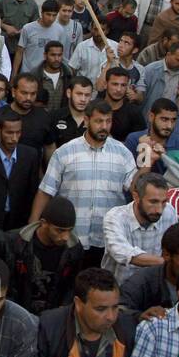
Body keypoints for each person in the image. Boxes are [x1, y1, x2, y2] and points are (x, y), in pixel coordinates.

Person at [32, 100, 137, 269]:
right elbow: (46, 192)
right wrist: (32, 228)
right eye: (98, 121)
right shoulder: (65, 152)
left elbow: (134, 189)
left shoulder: (123, 154)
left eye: (108, 121)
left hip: (107, 239)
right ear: (87, 121)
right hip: (72, 238)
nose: (104, 126)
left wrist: (147, 164)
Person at [102, 173, 179, 283]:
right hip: (119, 288)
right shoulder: (115, 217)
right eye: (153, 202)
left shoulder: (169, 212)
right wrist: (168, 263)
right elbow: (121, 252)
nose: (159, 210)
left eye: (163, 202)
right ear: (136, 197)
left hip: (153, 287)